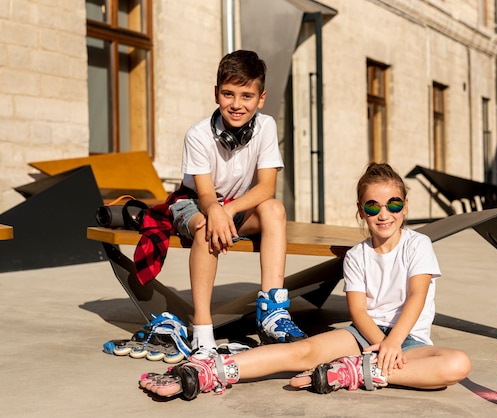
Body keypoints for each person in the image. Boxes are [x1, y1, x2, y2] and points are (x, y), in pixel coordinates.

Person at [138, 162, 472, 400]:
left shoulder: (418, 244)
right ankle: (208, 372)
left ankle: (352, 372)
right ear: (361, 211)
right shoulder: (357, 255)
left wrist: (393, 344)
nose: (385, 214)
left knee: (457, 365)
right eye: (374, 206)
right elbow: (358, 310)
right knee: (301, 351)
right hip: (364, 337)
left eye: (394, 204)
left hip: (408, 339)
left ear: (405, 206)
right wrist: (378, 345)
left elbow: (417, 296)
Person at [134, 50, 306, 358]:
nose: (237, 104)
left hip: (236, 206)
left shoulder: (266, 127)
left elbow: (266, 188)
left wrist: (229, 210)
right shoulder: (198, 135)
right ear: (217, 94)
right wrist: (217, 211)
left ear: (261, 98)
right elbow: (206, 197)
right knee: (205, 229)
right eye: (228, 94)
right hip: (195, 203)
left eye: (246, 96)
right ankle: (202, 329)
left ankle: (272, 313)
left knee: (275, 209)